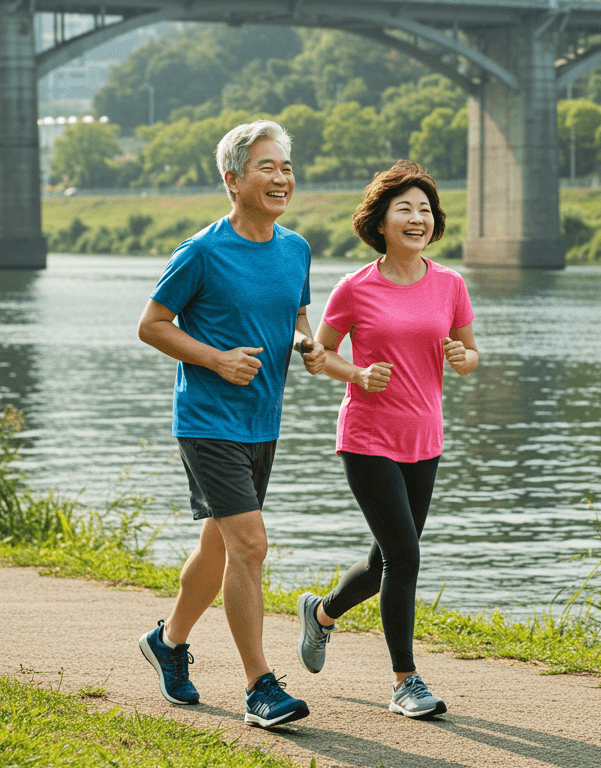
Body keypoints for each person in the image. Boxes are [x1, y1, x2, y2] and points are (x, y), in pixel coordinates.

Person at [135, 120, 326, 729]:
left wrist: (308, 344)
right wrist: (215, 358)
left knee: (217, 547)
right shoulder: (201, 251)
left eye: (287, 168)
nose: (281, 178)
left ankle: (168, 641)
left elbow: (294, 317)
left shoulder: (296, 249)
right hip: (206, 419)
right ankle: (259, 686)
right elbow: (153, 324)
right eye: (267, 167)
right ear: (233, 178)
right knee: (250, 544)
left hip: (261, 421)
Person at [295, 160, 478, 719]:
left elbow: (470, 354)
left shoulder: (451, 284)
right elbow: (315, 355)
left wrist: (462, 358)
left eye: (425, 209)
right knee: (406, 555)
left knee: (385, 563)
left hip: (425, 439)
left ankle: (321, 613)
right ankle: (406, 681)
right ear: (380, 220)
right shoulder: (355, 288)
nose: (418, 217)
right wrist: (356, 374)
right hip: (367, 437)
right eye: (406, 208)